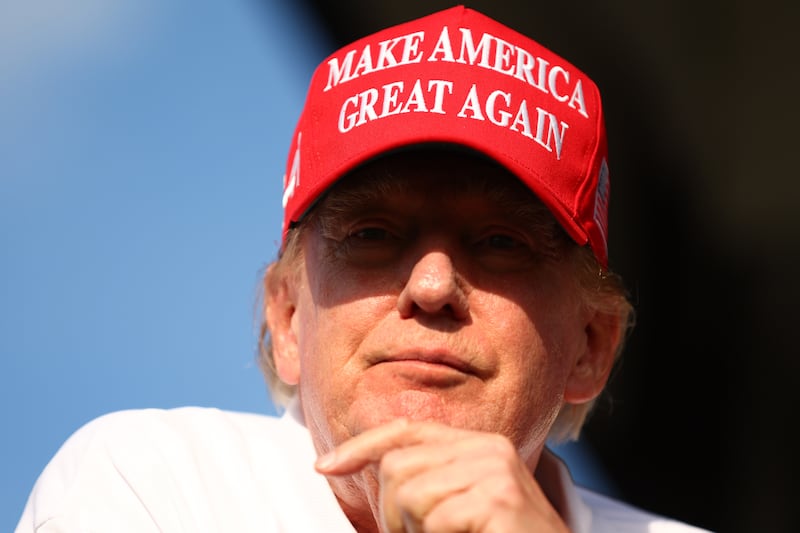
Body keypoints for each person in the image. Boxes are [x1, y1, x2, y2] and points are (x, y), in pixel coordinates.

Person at [17, 6, 711, 532]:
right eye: (373, 234)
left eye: (501, 242)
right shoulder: (152, 484)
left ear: (592, 345)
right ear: (286, 318)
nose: (433, 285)